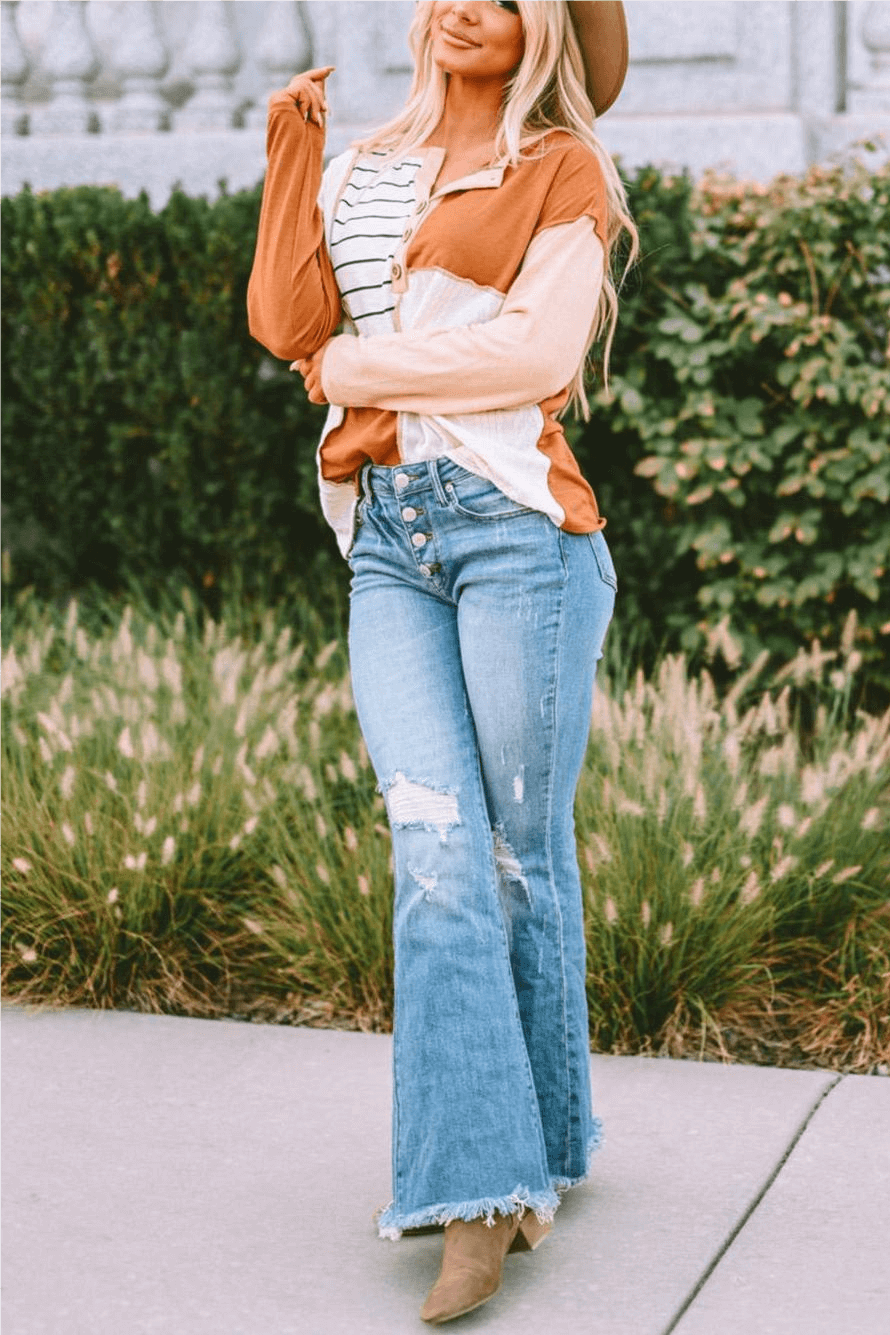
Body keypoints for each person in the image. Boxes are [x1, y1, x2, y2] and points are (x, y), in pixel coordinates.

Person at [247, 1, 636, 1323]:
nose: (467, 0)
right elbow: (291, 325)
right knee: (437, 848)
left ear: (547, 25)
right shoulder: (365, 169)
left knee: (522, 855)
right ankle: (476, 1191)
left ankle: (540, 1151)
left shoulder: (558, 172)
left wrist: (365, 361)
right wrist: (290, 162)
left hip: (522, 537)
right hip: (390, 547)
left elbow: (535, 355)